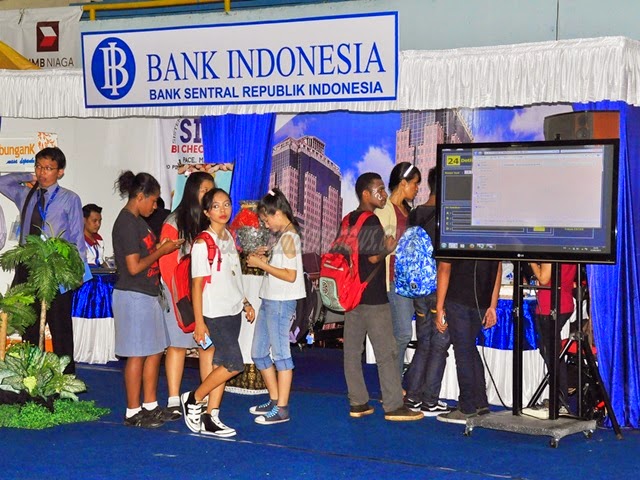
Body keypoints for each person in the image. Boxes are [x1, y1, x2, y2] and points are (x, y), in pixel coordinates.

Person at [342, 172, 423, 422]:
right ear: (366, 194)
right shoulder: (371, 221)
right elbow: (371, 258)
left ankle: (358, 402)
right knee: (387, 353)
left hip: (351, 295)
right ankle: (394, 406)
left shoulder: (349, 219)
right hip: (374, 297)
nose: (384, 194)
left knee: (352, 353)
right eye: (379, 190)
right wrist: (388, 249)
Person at [0, 146, 85, 374]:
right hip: (27, 267)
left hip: (56, 267)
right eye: (39, 167)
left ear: (60, 172)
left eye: (48, 168)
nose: (42, 172)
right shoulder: (25, 194)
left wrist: (78, 270)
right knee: (28, 324)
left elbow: (77, 236)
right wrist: (28, 176)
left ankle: (65, 378)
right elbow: (2, 182)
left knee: (60, 326)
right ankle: (30, 375)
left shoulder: (69, 198)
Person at [180, 188, 256, 437]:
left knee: (220, 364)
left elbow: (233, 277)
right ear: (206, 212)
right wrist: (199, 322)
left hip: (233, 310)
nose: (223, 210)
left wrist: (245, 302)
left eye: (226, 204)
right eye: (216, 206)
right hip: (214, 313)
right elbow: (197, 285)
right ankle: (194, 398)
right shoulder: (203, 243)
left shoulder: (229, 238)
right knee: (234, 364)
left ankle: (211, 416)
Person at [112, 171, 184, 429]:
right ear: (140, 196)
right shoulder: (126, 223)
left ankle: (150, 405)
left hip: (149, 293)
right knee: (137, 354)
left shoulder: (138, 222)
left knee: (154, 351)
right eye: (153, 201)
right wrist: (161, 251)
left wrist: (162, 248)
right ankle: (133, 411)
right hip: (133, 294)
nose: (155, 207)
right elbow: (133, 267)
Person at [245, 188, 305, 425]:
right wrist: (267, 258)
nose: (265, 224)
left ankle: (282, 408)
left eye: (266, 219)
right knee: (259, 353)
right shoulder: (285, 236)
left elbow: (290, 275)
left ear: (277, 212)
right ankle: (274, 400)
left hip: (280, 301)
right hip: (271, 299)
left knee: (281, 355)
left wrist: (262, 264)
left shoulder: (289, 237)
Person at [158, 171, 215, 420]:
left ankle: (204, 397)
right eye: (205, 190)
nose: (209, 195)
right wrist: (180, 295)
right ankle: (173, 399)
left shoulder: (210, 222)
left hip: (205, 294)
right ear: (193, 192)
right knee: (178, 345)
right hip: (179, 293)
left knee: (207, 345)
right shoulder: (174, 221)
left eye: (211, 190)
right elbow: (167, 263)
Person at [402, 167, 452, 416]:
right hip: (439, 289)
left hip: (418, 288)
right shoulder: (446, 216)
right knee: (440, 344)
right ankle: (430, 400)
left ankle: (413, 397)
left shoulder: (415, 213)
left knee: (424, 342)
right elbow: (445, 265)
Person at [435, 258, 502, 424]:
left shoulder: (453, 240)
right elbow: (498, 268)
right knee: (469, 349)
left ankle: (467, 407)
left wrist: (439, 306)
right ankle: (480, 403)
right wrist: (492, 305)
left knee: (463, 352)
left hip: (458, 298)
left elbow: (444, 268)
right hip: (482, 300)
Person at [375, 162, 422, 375]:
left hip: (408, 279)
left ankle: (393, 380)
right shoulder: (385, 208)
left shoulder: (408, 210)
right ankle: (393, 382)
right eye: (415, 184)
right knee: (402, 333)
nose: (417, 188)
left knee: (400, 332)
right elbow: (379, 244)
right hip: (393, 278)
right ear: (403, 183)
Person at [529, 262, 577, 413]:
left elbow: (543, 279)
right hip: (563, 301)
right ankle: (559, 397)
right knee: (553, 352)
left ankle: (560, 399)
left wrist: (532, 262)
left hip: (550, 304)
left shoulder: (550, 253)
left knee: (551, 353)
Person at [83, 203, 106, 268]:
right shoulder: (78, 241)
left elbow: (101, 261)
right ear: (84, 220)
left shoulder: (99, 238)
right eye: (94, 221)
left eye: (100, 221)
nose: (98, 224)